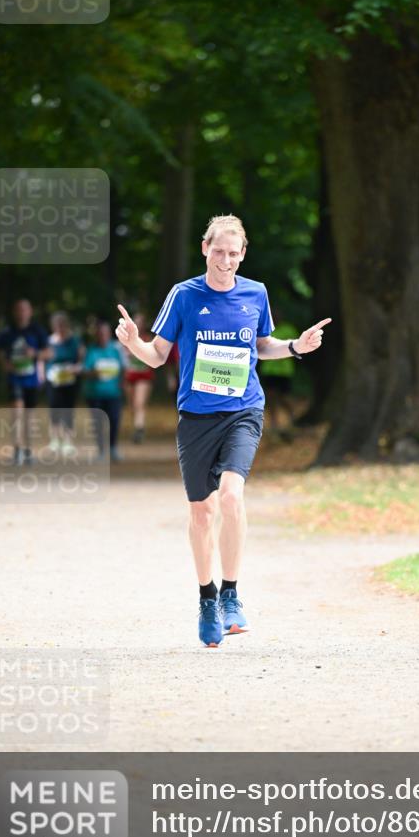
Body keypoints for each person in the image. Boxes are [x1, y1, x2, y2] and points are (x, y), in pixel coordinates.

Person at [115, 213, 330, 647]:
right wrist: (132, 342)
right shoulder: (184, 295)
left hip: (243, 410)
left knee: (232, 495)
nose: (225, 260)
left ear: (243, 254)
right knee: (202, 512)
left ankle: (232, 593)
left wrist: (295, 347)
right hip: (196, 416)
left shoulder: (256, 293)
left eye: (234, 253)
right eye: (218, 252)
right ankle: (207, 597)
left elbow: (261, 345)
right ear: (204, 249)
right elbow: (157, 356)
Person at [0, 299, 50, 465]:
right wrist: (4, 362)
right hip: (15, 379)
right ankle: (17, 449)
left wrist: (35, 354)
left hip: (32, 380)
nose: (21, 313)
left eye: (25, 309)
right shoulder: (7, 332)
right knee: (17, 413)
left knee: (28, 417)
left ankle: (28, 450)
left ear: (30, 312)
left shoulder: (37, 331)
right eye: (18, 309)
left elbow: (49, 353)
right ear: (14, 312)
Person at [84, 320, 125, 462]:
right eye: (100, 333)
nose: (102, 336)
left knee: (114, 420)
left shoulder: (115, 350)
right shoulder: (91, 351)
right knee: (98, 423)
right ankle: (101, 451)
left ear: (109, 334)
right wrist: (93, 373)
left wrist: (122, 383)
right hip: (95, 394)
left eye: (105, 333)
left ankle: (113, 448)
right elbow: (85, 370)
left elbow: (124, 368)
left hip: (113, 393)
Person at [46, 311, 84, 455]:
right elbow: (43, 359)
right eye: (56, 326)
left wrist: (76, 367)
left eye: (61, 326)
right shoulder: (49, 341)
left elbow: (81, 358)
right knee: (54, 409)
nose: (59, 329)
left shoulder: (75, 340)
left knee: (68, 410)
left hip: (70, 380)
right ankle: (54, 440)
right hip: (53, 380)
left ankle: (68, 441)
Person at [258, 312, 299, 440]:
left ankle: (292, 419)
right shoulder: (265, 329)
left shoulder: (288, 329)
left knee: (285, 397)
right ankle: (274, 425)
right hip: (269, 371)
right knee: (270, 398)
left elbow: (296, 347)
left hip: (284, 371)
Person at [124, 311, 155, 443]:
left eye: (141, 322)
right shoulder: (125, 338)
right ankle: (137, 427)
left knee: (139, 403)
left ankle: (139, 429)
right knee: (132, 406)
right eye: (136, 321)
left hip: (144, 377)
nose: (138, 324)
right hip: (130, 377)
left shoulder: (148, 339)